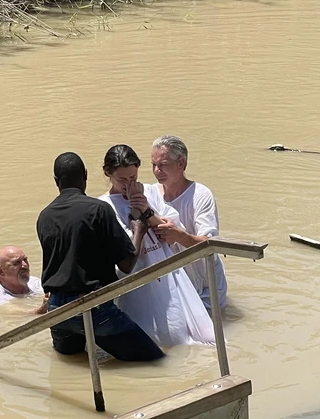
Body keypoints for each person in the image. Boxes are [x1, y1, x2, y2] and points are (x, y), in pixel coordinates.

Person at [34, 151, 165, 362]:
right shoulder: (99, 210)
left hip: (56, 311)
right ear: (85, 175)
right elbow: (127, 263)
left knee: (73, 366)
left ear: (56, 181)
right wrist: (139, 228)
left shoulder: (44, 217)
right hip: (94, 308)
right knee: (155, 361)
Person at [99, 144, 215, 346]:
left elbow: (171, 227)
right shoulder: (104, 206)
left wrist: (146, 210)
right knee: (148, 341)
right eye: (122, 180)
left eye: (133, 178)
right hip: (137, 283)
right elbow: (124, 250)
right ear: (107, 174)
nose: (128, 185)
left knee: (191, 334)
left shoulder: (150, 192)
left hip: (169, 275)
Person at [147, 135, 228, 310]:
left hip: (206, 286)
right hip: (172, 286)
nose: (156, 171)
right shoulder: (150, 194)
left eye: (163, 165)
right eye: (153, 165)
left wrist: (179, 236)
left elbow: (210, 245)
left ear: (181, 164)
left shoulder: (200, 195)